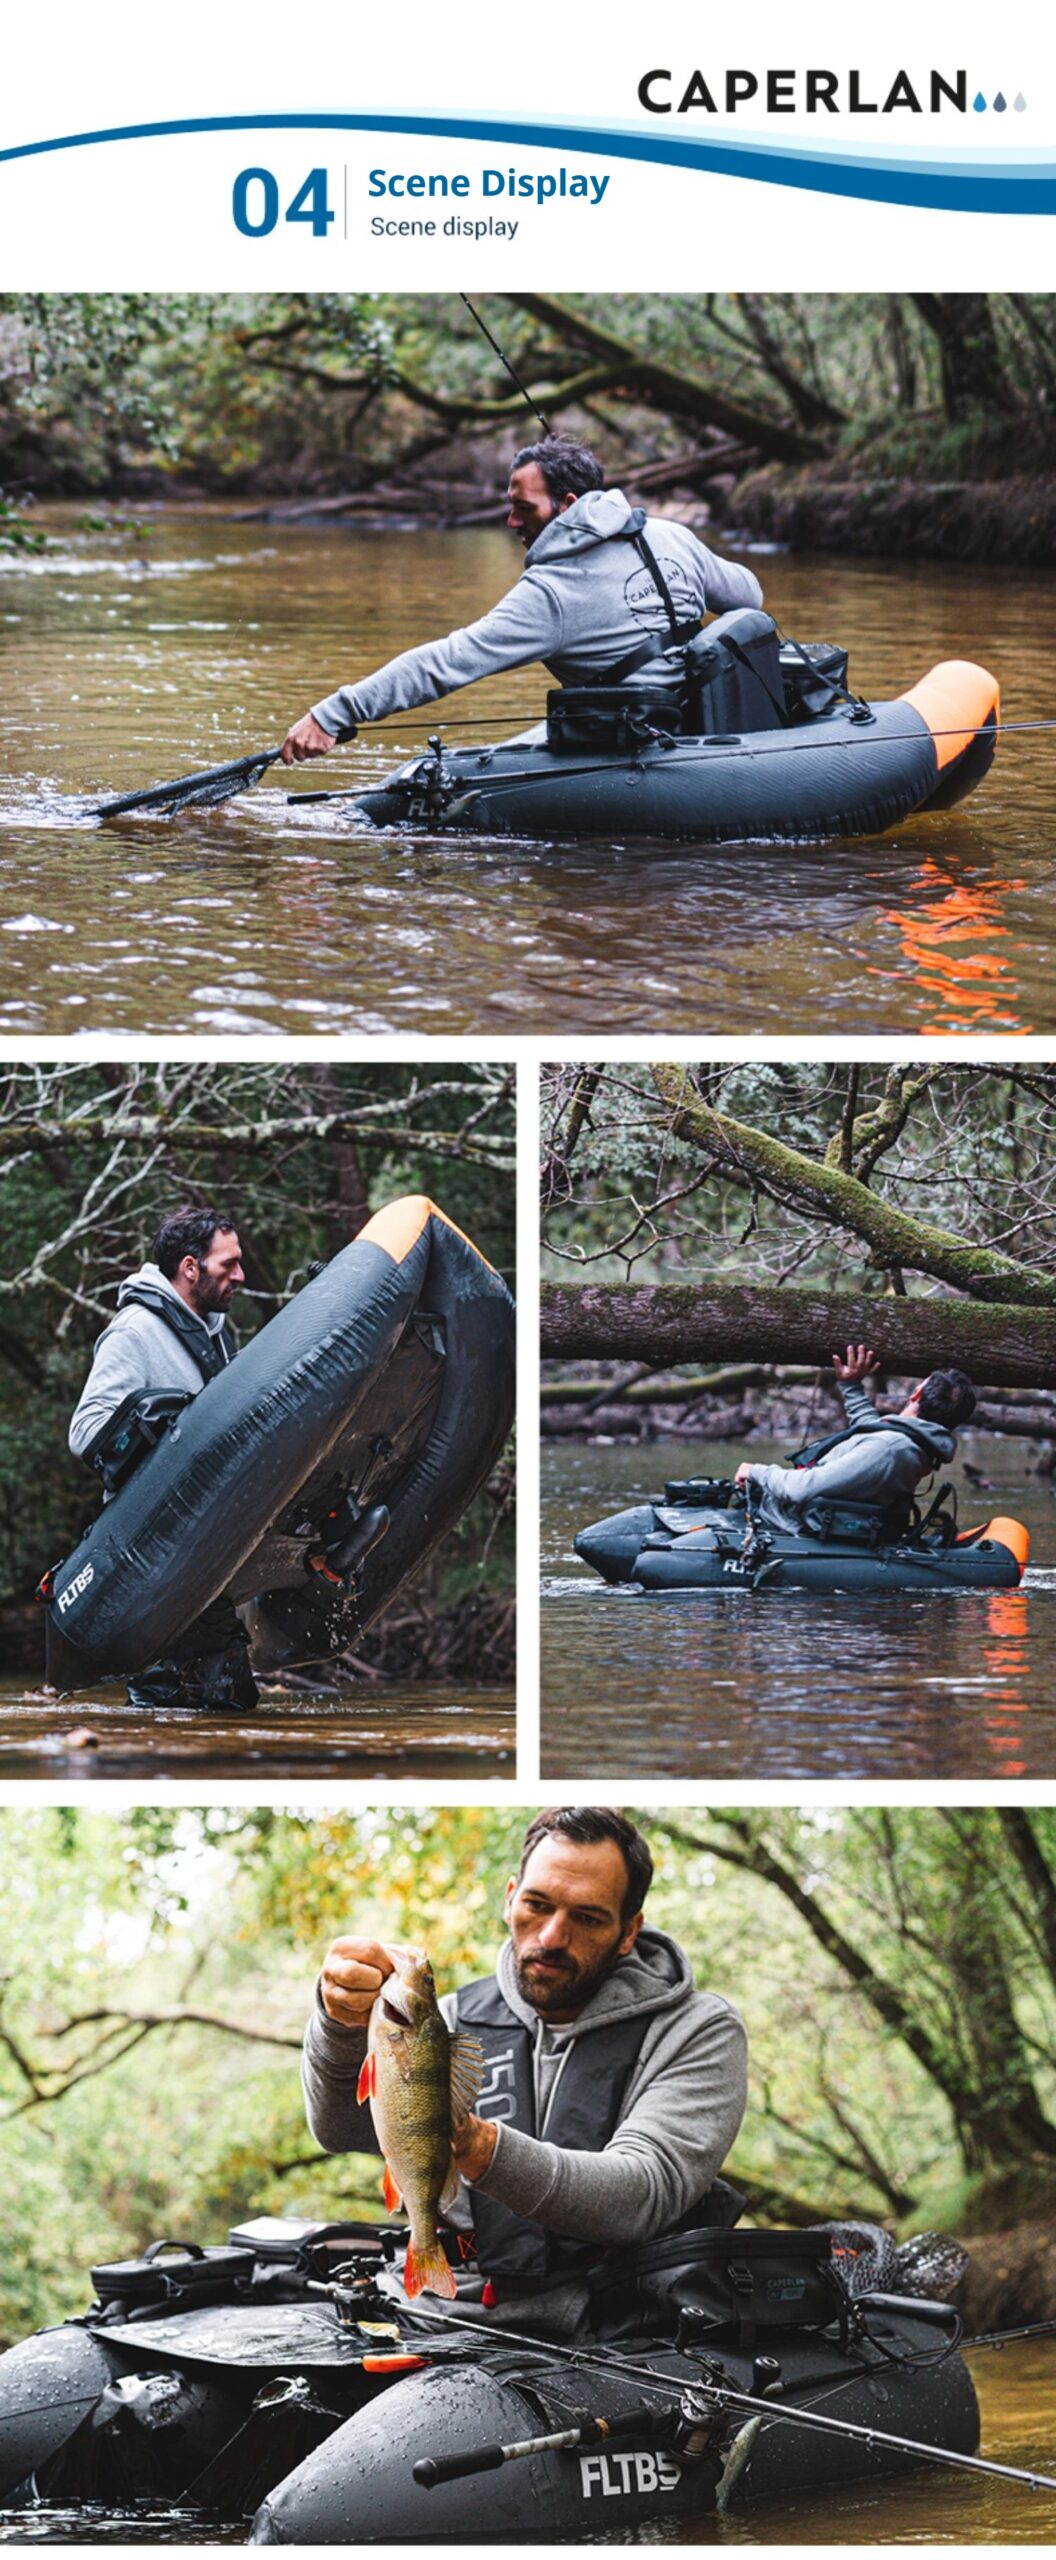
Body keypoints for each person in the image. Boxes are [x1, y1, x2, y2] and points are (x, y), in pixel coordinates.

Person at [301, 1804, 748, 2336]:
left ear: (629, 1931)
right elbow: (340, 2131)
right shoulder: (451, 2018)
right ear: (511, 1897)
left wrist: (481, 2148)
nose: (553, 1937)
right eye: (537, 1905)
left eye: (586, 1917)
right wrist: (340, 2025)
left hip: (608, 2330)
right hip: (434, 2309)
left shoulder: (699, 2029)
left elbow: (643, 2193)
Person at [280, 437, 764, 762]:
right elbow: (749, 598)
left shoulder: (550, 594)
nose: (512, 523)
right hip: (706, 724)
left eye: (522, 509)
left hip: (642, 751)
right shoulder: (670, 534)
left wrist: (333, 713)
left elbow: (446, 663)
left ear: (569, 505)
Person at [69, 1206, 257, 1714]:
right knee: (161, 1714)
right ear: (191, 1267)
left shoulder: (216, 1334)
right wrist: (170, 1420)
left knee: (234, 1704)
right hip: (154, 1563)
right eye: (229, 1263)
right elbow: (85, 1432)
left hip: (208, 1555)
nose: (240, 1275)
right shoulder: (134, 1331)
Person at [734, 1342, 977, 1539]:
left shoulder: (889, 1449)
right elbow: (872, 1434)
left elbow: (801, 1488)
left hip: (786, 1523)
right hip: (815, 1520)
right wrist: (850, 1385)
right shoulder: (911, 1444)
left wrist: (756, 1471)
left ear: (917, 1393)